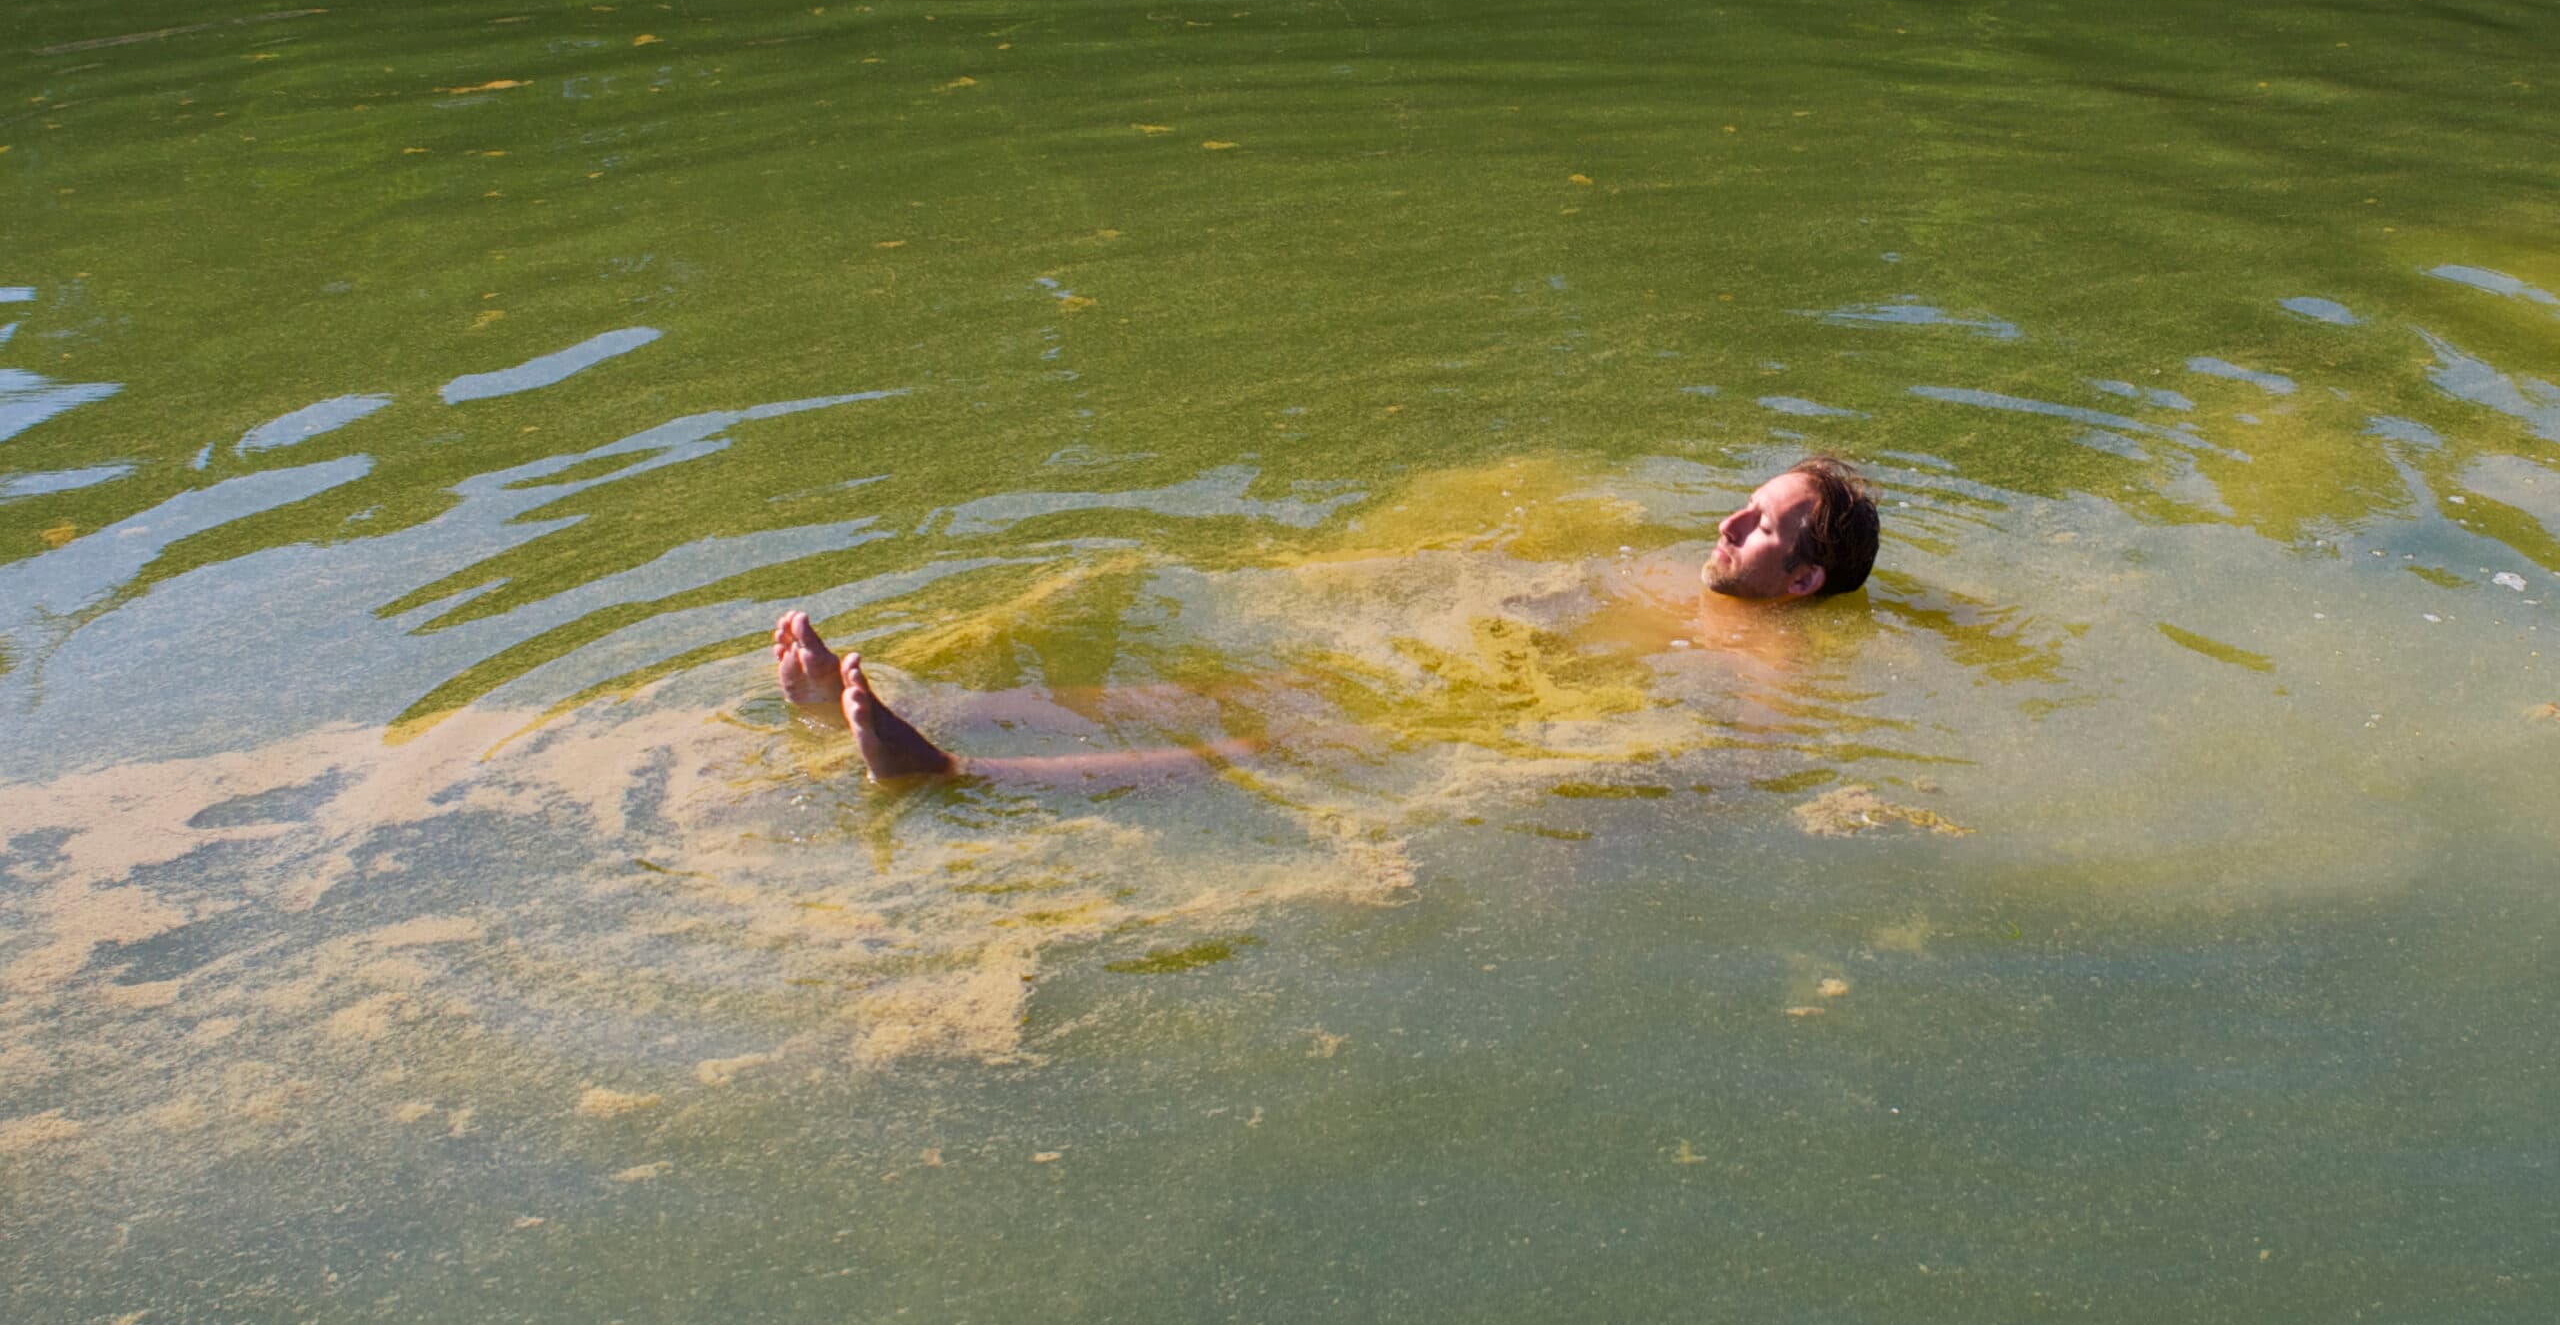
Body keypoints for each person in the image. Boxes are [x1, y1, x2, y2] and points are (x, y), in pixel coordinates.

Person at [776, 456, 1881, 782]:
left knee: (1230, 745)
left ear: (1802, 586)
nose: (1728, 517)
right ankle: (883, 707)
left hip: (1433, 740)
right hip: (1407, 679)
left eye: (1765, 524)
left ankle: (957, 772)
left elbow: (1744, 768)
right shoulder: (1655, 573)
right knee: (1195, 696)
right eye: (1746, 497)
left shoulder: (1777, 662)